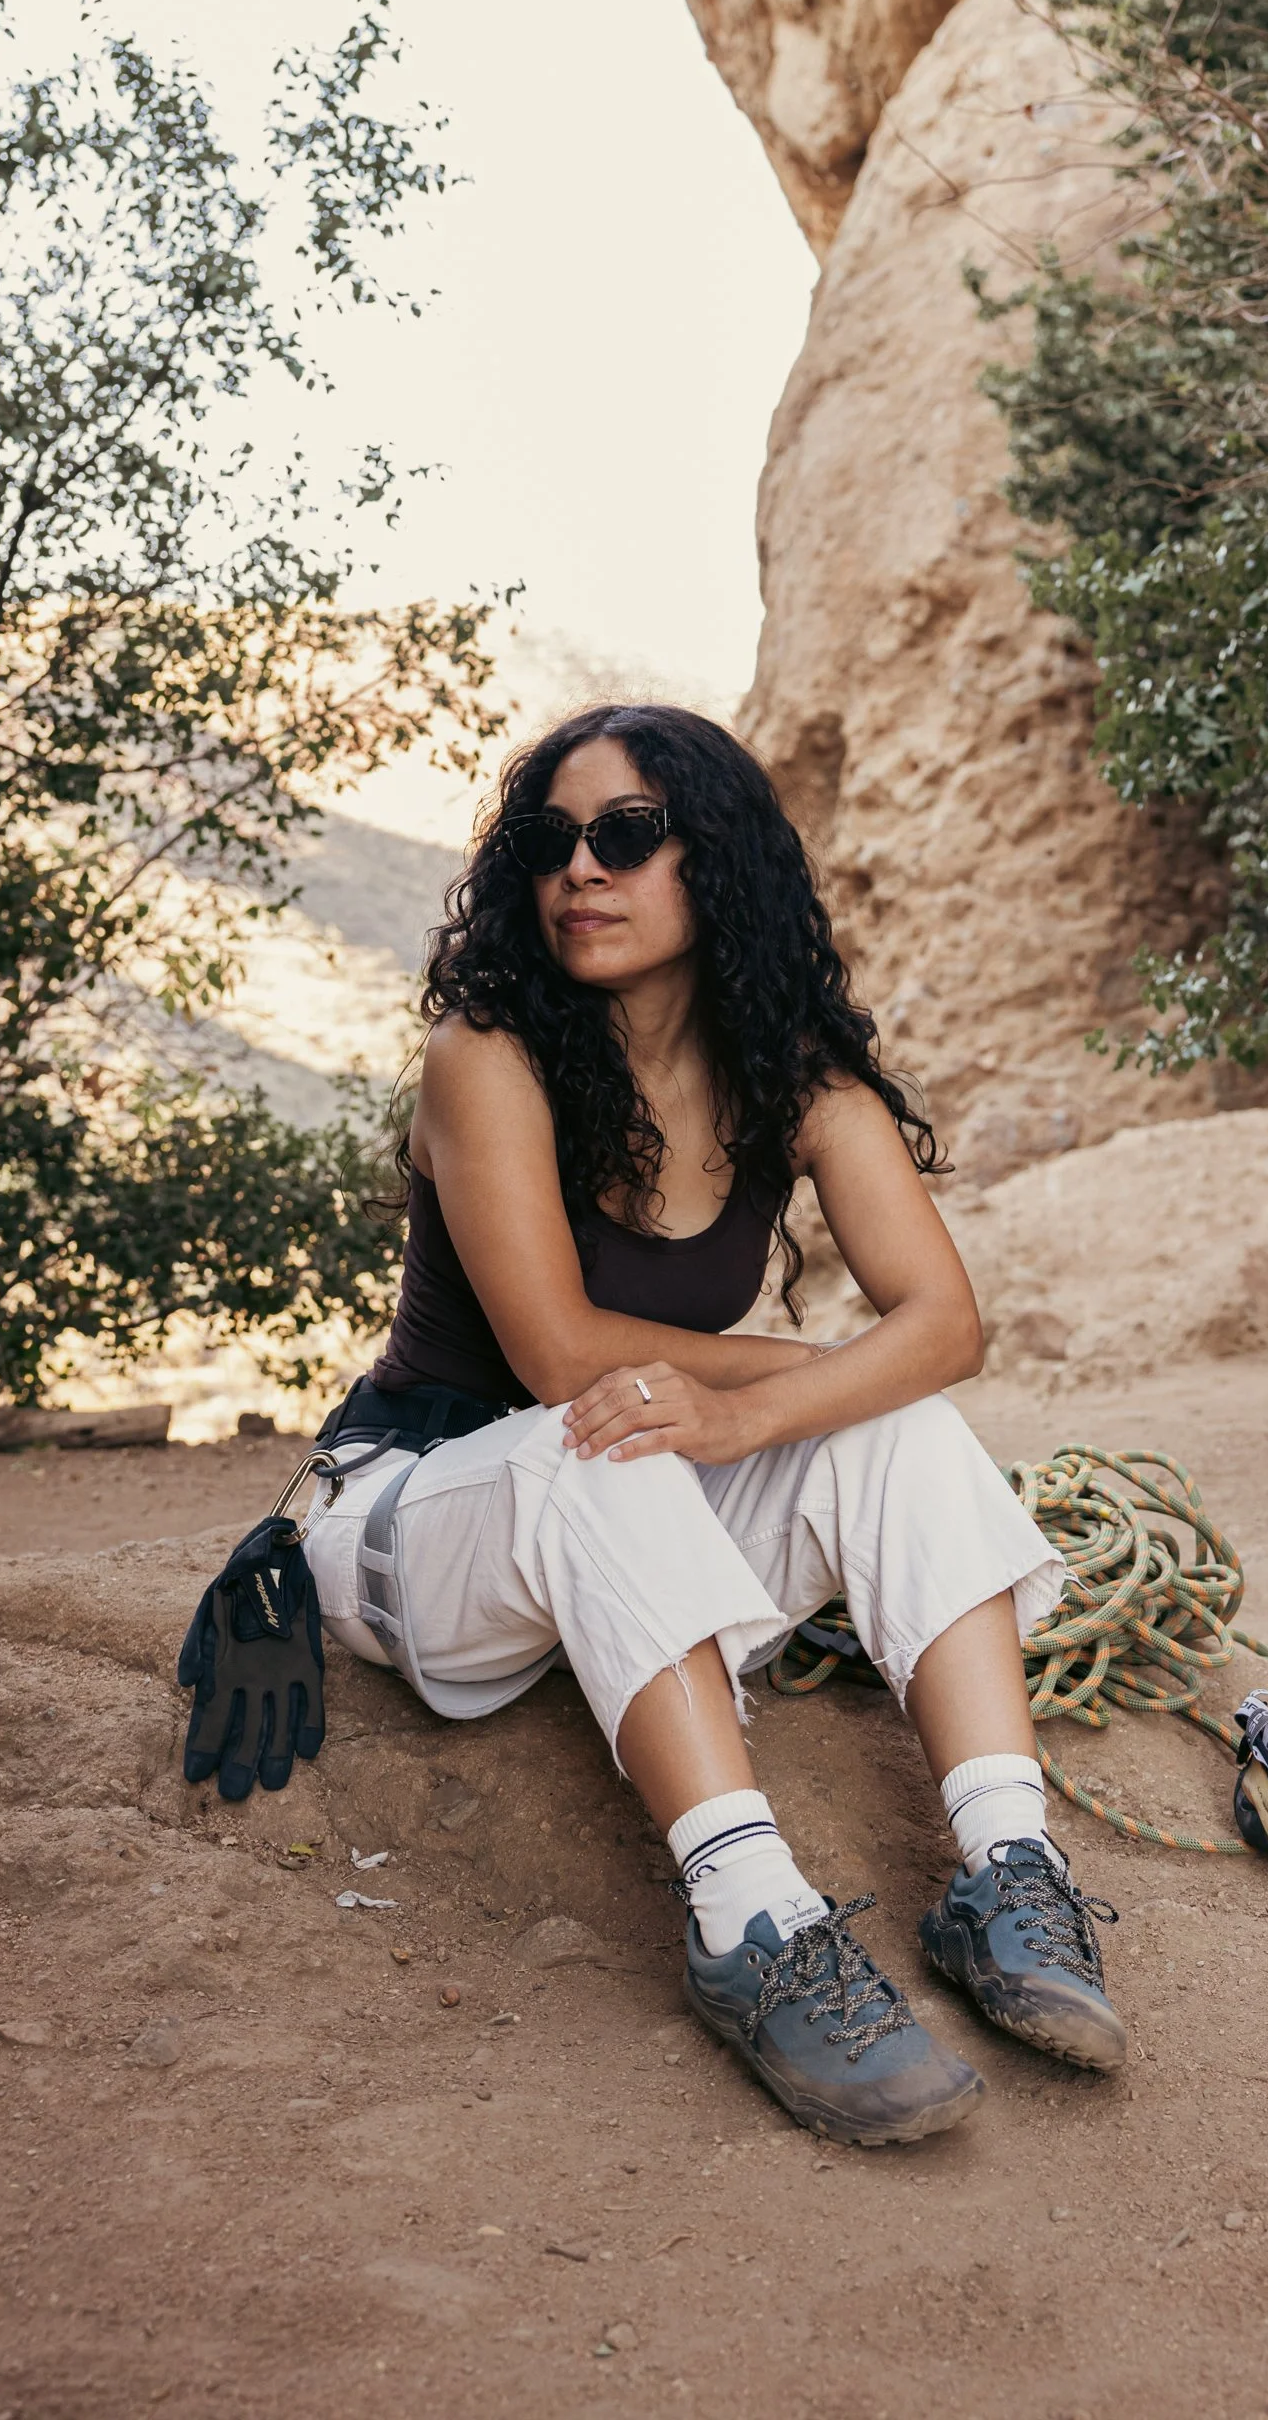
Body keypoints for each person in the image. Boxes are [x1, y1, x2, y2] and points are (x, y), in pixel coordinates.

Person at [302, 703, 1124, 2143]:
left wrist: (758, 1414)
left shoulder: (788, 1078)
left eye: (625, 838)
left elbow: (945, 1324)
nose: (579, 873)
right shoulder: (485, 1057)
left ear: (717, 859)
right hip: (416, 1515)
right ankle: (752, 1918)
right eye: (551, 843)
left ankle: (1007, 1867)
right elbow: (558, 1353)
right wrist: (768, 1372)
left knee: (904, 1435)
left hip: (614, 1524)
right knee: (608, 1432)